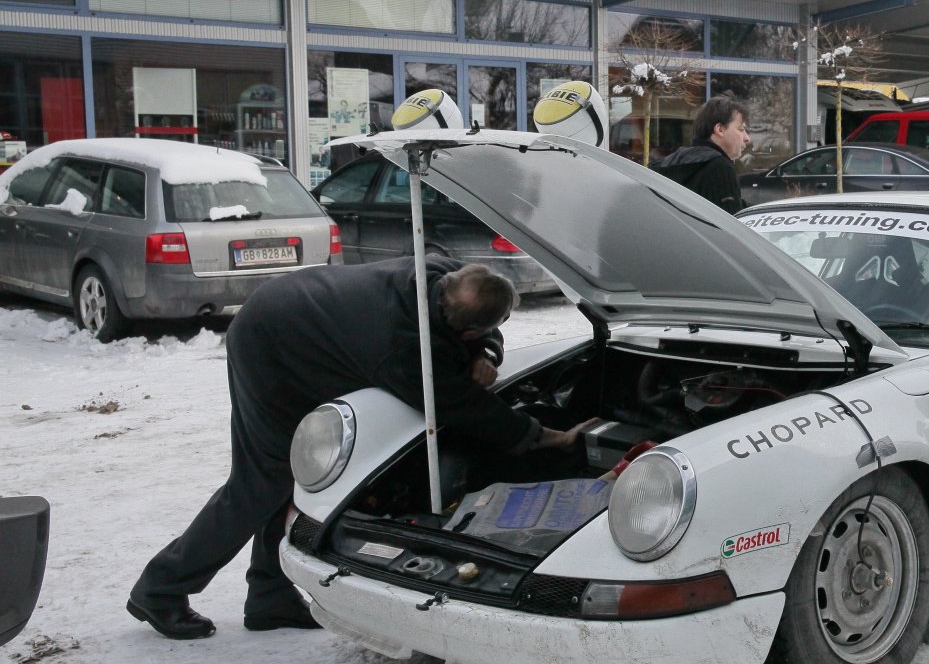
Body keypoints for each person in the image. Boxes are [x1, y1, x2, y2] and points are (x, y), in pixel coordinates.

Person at [127, 257, 594, 639]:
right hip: (270, 343)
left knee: (294, 478)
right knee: (264, 480)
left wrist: (483, 353)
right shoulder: (401, 351)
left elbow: (476, 335)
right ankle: (161, 589)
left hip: (306, 317)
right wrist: (546, 437)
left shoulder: (442, 273)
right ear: (463, 328)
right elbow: (468, 409)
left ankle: (270, 597)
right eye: (481, 334)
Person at [653, 93, 751, 213]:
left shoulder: (673, 163)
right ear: (720, 129)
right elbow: (731, 219)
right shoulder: (720, 167)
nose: (747, 138)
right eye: (741, 129)